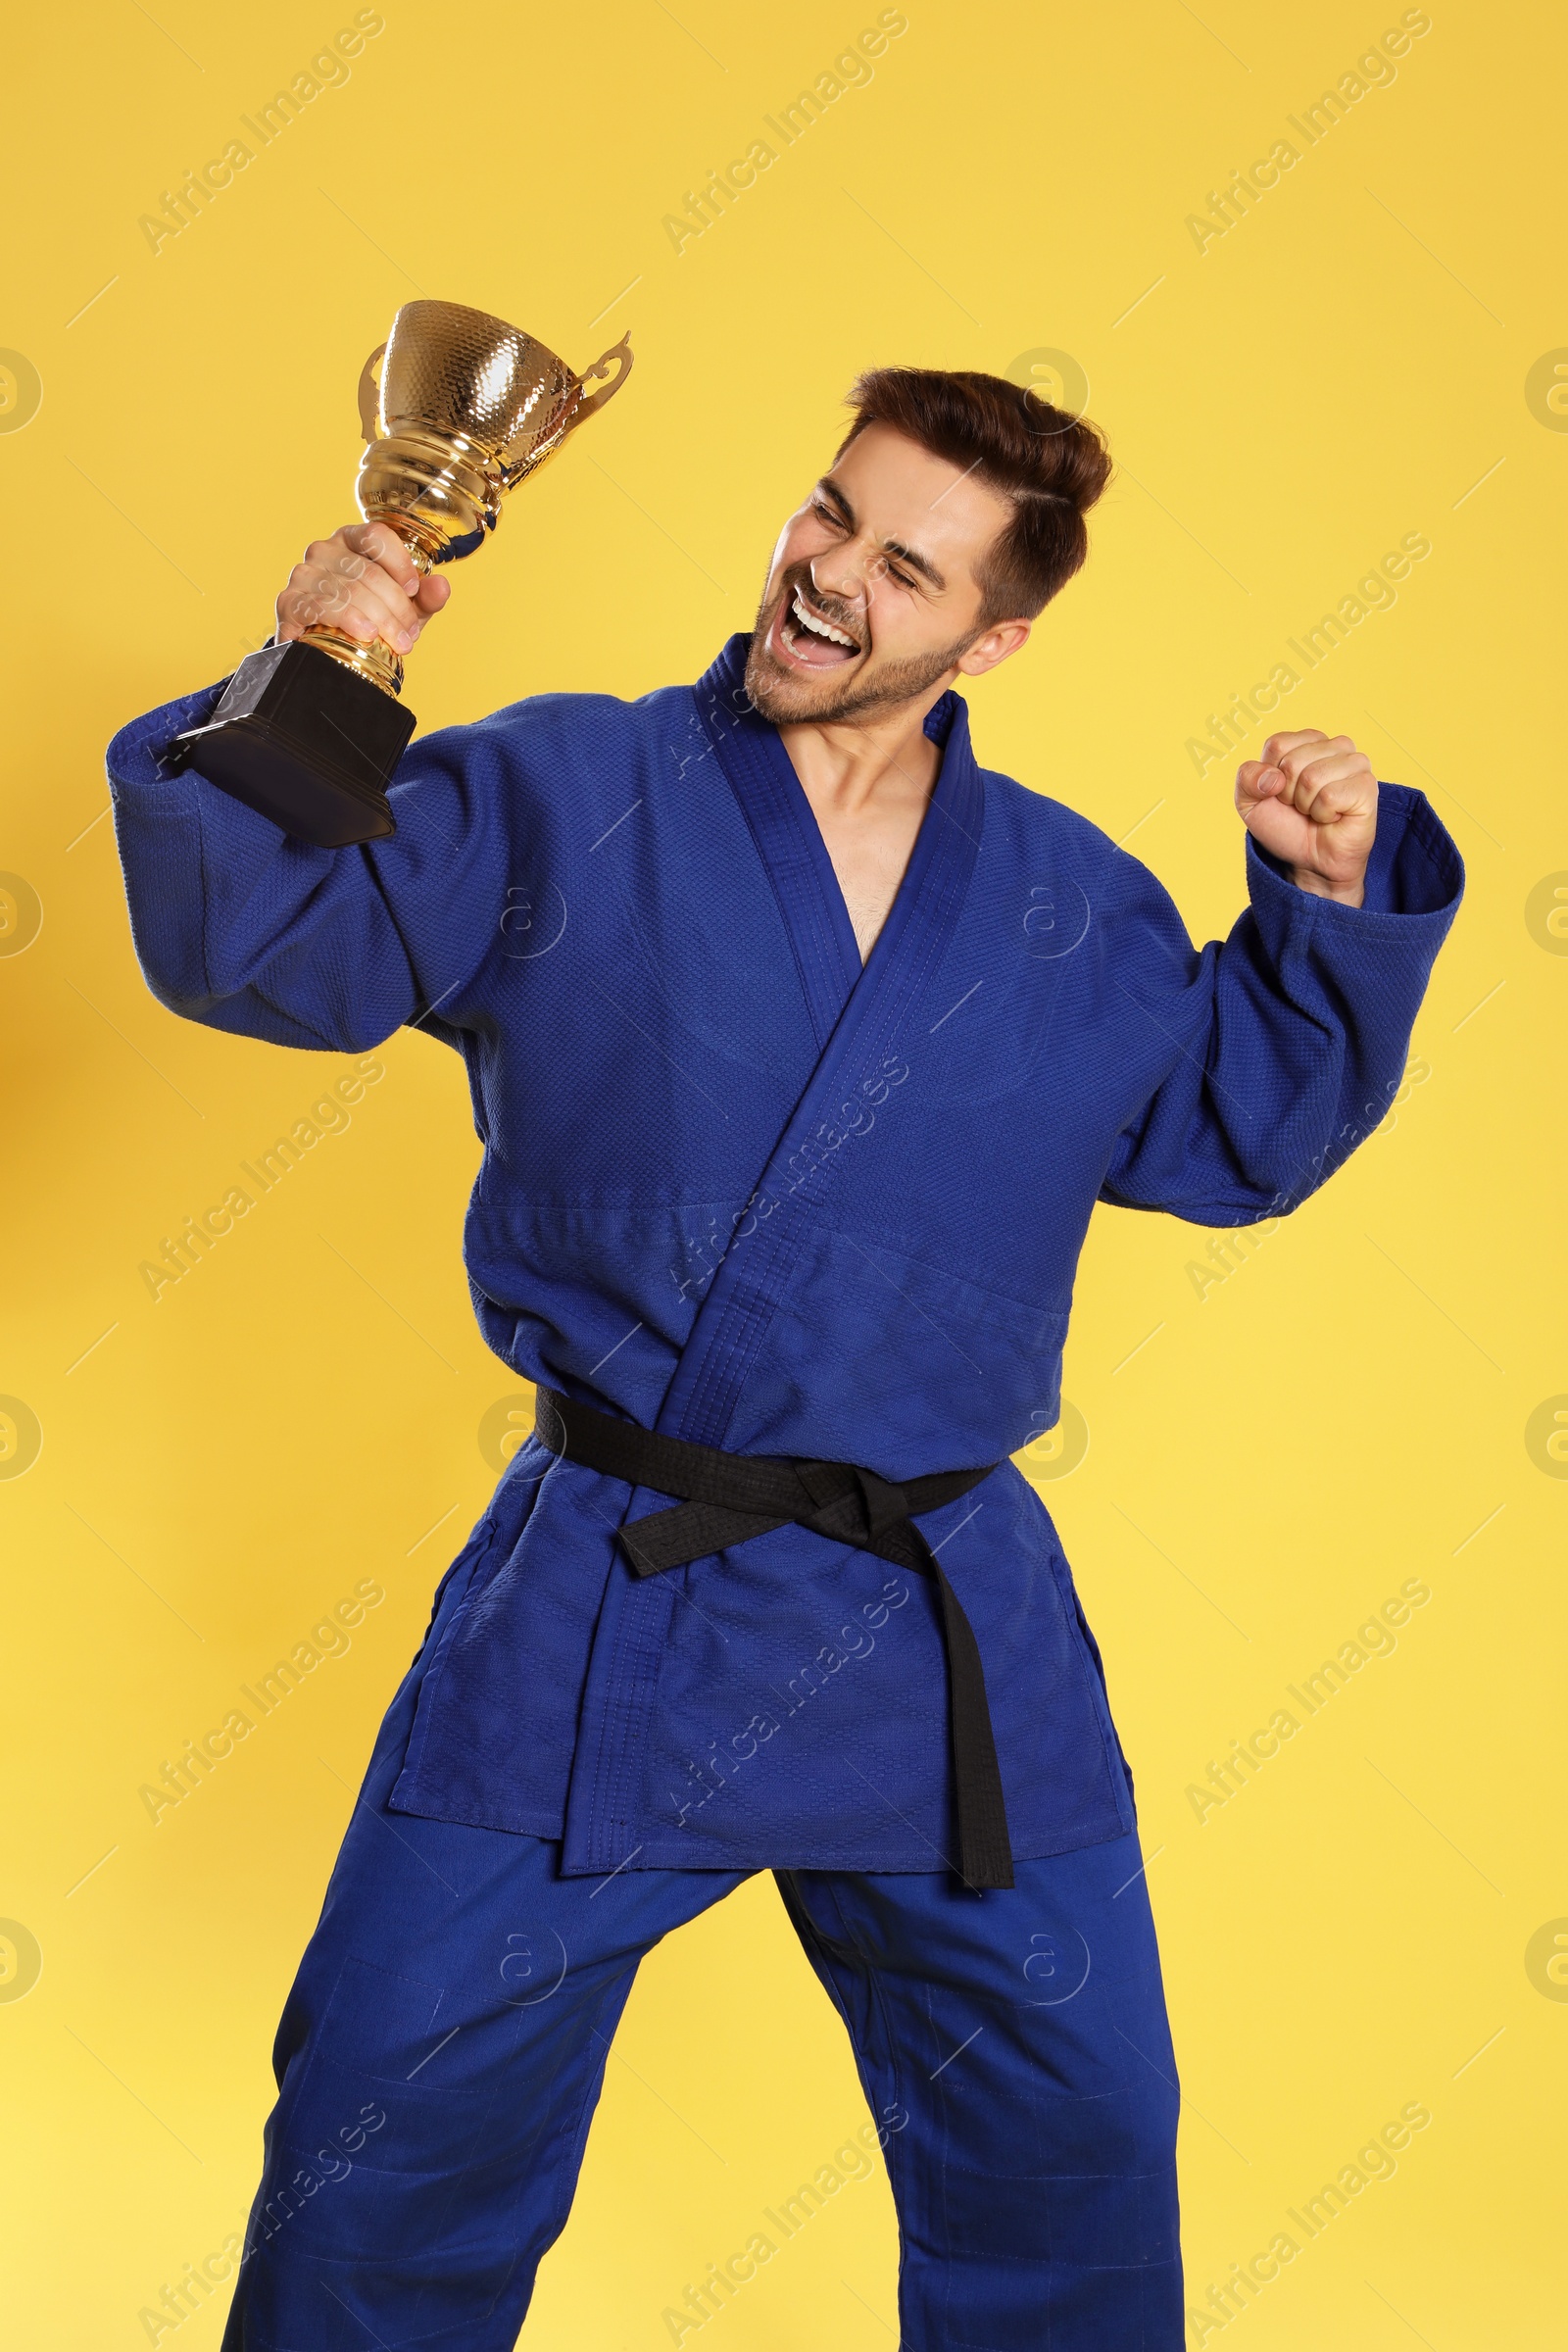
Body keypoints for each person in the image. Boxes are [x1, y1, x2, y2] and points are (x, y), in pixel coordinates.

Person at [107, 366, 1462, 2350]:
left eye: (900, 565)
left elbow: (1222, 1133)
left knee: (1075, 2158)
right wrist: (325, 663)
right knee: (377, 2136)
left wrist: (1321, 909)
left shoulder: (1067, 905)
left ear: (992, 634)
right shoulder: (561, 792)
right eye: (824, 515)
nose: (825, 576)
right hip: (601, 1595)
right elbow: (256, 948)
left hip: (936, 1624)